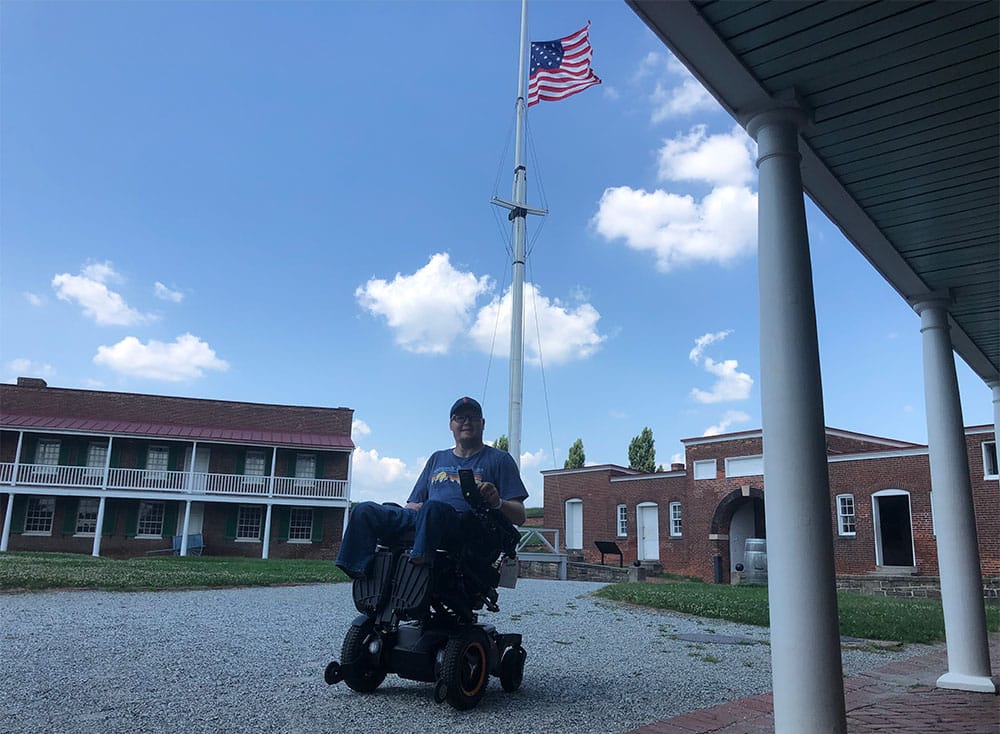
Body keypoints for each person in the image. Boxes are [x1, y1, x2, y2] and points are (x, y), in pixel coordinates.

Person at [335, 396, 528, 580]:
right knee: (365, 510)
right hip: (425, 518)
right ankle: (360, 571)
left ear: (483, 423)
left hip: (464, 527)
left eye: (473, 417)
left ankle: (417, 568)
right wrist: (414, 508)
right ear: (451, 425)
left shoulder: (499, 460)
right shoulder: (437, 458)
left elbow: (520, 516)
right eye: (460, 417)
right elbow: (413, 503)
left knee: (433, 507)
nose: (467, 422)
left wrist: (497, 502)